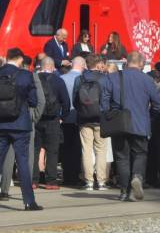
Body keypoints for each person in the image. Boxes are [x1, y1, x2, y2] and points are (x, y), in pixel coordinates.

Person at [101, 51, 160, 201]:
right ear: (141, 63)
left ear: (126, 62)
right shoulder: (147, 80)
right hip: (140, 123)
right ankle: (137, 176)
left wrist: (109, 115)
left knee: (121, 158)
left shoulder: (112, 77)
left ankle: (124, 191)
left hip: (118, 123)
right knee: (140, 154)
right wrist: (150, 116)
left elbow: (104, 102)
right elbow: (157, 103)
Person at [0, 48, 42, 211]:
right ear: (20, 59)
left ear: (7, 57)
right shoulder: (26, 75)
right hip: (20, 124)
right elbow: (33, 101)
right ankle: (29, 202)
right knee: (22, 161)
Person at [34, 57, 71, 189]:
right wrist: (62, 117)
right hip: (53, 119)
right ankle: (51, 181)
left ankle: (33, 180)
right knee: (52, 151)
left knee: (35, 150)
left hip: (36, 120)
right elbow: (66, 102)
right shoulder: (58, 81)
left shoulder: (34, 79)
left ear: (41, 66)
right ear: (52, 67)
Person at [75, 54, 109, 190]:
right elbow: (107, 98)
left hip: (84, 118)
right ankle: (101, 181)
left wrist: (81, 110)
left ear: (87, 64)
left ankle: (88, 181)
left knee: (86, 149)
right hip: (100, 119)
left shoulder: (80, 79)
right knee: (101, 150)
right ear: (98, 64)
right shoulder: (104, 78)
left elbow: (75, 99)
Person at [58, 56, 85, 186]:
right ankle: (75, 176)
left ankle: (67, 176)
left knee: (65, 148)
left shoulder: (62, 78)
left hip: (64, 118)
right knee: (77, 149)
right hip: (80, 117)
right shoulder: (83, 79)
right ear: (83, 65)